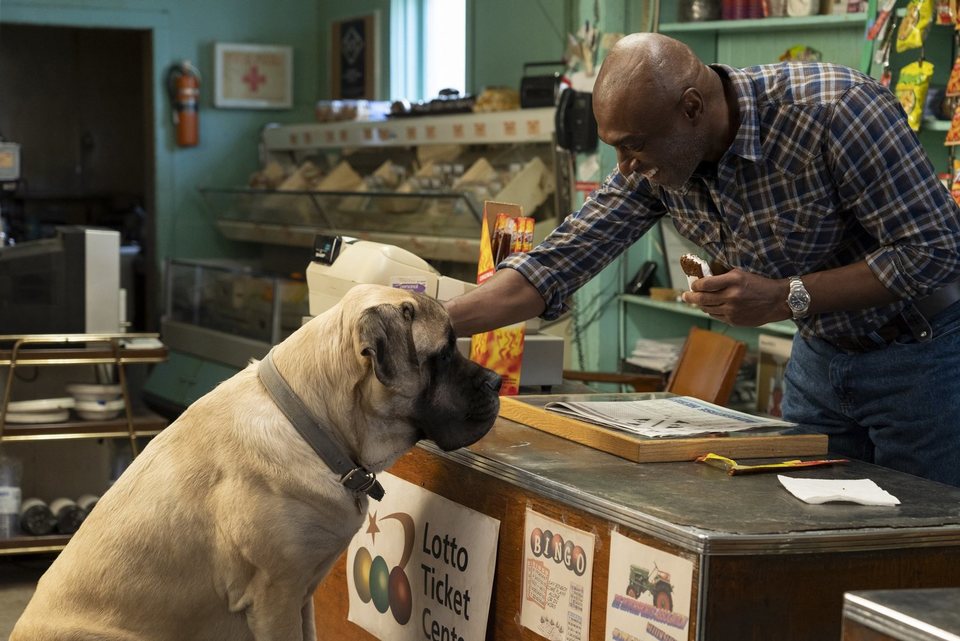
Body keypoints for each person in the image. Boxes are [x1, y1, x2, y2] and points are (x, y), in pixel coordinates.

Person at [444, 32, 960, 487]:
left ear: (692, 108)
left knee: (921, 550)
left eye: (633, 147)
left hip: (922, 354)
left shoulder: (837, 109)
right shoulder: (657, 162)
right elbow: (556, 262)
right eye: (616, 151)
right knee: (811, 543)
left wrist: (786, 296)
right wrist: (432, 322)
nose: (626, 167)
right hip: (822, 359)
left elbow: (934, 250)